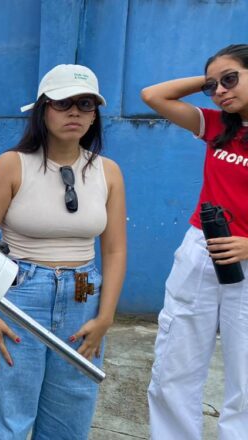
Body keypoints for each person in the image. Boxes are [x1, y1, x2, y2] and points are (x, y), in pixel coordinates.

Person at [0, 64, 126, 439]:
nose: (75, 112)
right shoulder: (11, 165)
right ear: (43, 109)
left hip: (83, 295)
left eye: (85, 104)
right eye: (63, 103)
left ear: (95, 114)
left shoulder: (108, 172)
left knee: (69, 415)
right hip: (18, 294)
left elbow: (115, 250)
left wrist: (105, 317)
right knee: (5, 414)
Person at [143, 44, 248, 440]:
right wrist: (210, 79)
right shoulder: (218, 126)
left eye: (230, 79)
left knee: (245, 377)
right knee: (174, 366)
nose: (219, 91)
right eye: (212, 86)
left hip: (246, 258)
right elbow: (153, 95)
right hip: (201, 252)